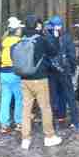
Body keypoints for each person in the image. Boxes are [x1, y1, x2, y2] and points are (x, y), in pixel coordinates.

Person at [20, 15, 62, 149]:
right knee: (45, 108)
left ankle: (25, 139)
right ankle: (49, 137)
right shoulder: (41, 40)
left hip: (24, 79)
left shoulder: (21, 39)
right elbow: (54, 52)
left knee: (26, 110)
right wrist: (55, 37)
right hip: (39, 79)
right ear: (37, 25)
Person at [46, 15, 79, 131]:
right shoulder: (67, 38)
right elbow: (72, 56)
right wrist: (72, 70)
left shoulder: (47, 38)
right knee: (69, 96)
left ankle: (53, 122)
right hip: (65, 71)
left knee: (53, 97)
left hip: (51, 72)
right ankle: (75, 122)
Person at [0, 16, 24, 134]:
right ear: (17, 29)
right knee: (19, 98)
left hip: (3, 73)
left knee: (5, 99)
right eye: (19, 28)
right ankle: (19, 122)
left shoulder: (3, 41)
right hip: (15, 73)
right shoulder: (19, 41)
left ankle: (4, 124)